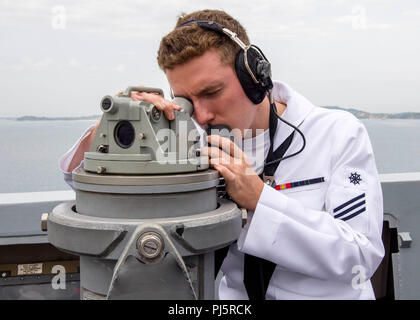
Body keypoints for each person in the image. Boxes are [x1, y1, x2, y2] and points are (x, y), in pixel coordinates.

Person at [60, 9, 385, 300]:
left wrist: (260, 199)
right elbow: (86, 185)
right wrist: (117, 125)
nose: (200, 115)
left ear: (253, 75)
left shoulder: (337, 133)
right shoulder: (189, 140)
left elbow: (360, 254)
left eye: (211, 92)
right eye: (185, 100)